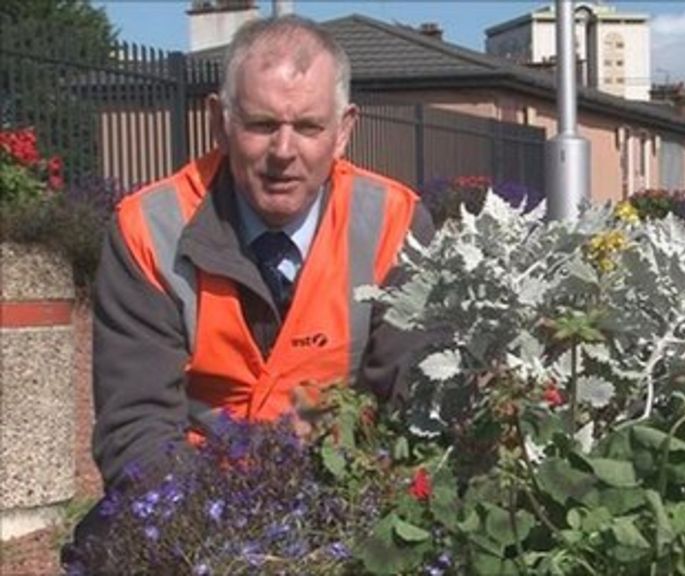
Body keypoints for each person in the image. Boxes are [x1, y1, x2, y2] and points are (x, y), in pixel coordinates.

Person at [65, 14, 433, 561]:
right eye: (261, 124)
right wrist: (235, 539)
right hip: (192, 499)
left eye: (309, 127)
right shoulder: (148, 228)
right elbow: (135, 429)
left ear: (344, 129)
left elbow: (411, 411)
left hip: (346, 495)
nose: (284, 151)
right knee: (98, 551)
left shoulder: (394, 223)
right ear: (220, 120)